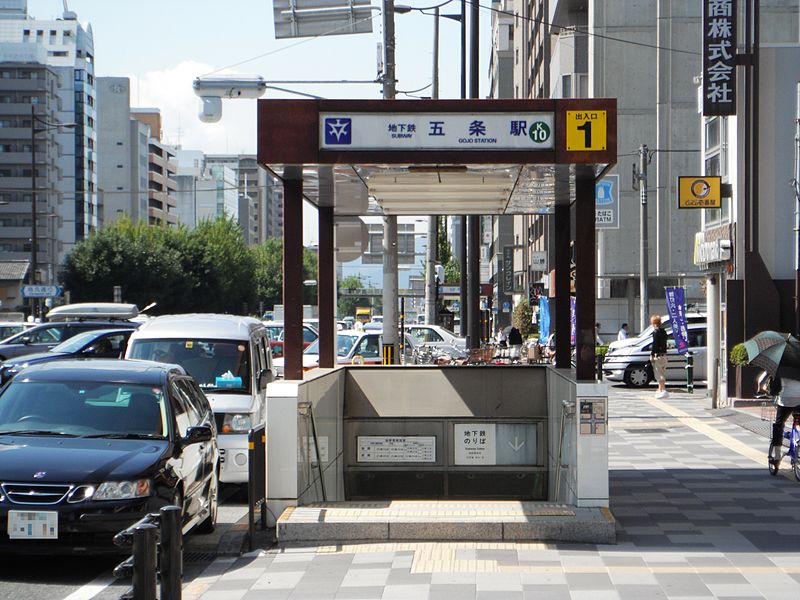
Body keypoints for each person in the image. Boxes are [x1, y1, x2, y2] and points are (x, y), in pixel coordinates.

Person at [769, 373, 800, 465]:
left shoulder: (781, 368)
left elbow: (774, 389)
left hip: (786, 400)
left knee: (779, 425)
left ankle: (777, 456)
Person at [649, 314, 669, 398]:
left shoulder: (656, 332)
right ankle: (660, 389)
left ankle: (663, 390)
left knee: (659, 373)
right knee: (662, 372)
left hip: (658, 355)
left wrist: (652, 355)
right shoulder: (664, 331)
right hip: (664, 355)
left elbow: (655, 345)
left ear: (653, 323)